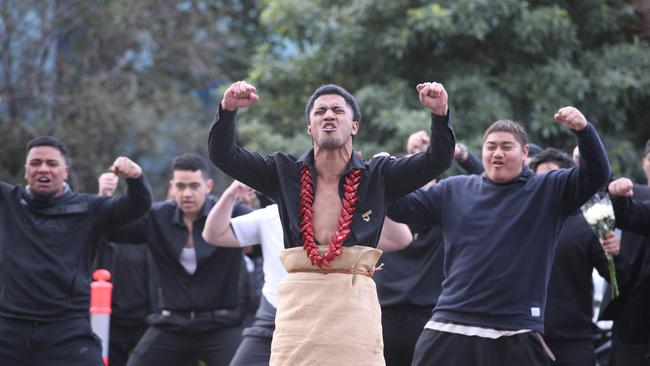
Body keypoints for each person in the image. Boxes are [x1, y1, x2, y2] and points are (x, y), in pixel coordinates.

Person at [208, 80, 455, 365]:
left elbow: (437, 160)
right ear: (309, 128)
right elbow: (224, 156)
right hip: (298, 305)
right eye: (320, 111)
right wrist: (227, 110)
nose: (328, 115)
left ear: (354, 126)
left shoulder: (380, 175)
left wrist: (440, 113)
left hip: (353, 304)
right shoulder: (281, 171)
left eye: (338, 110)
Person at [388, 107, 610, 366]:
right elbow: (401, 207)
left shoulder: (548, 189)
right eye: (491, 147)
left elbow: (597, 174)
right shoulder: (455, 189)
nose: (497, 153)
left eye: (507, 147)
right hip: (450, 326)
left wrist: (584, 131)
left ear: (525, 153)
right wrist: (385, 173)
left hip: (514, 330)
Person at [202, 180, 413, 365]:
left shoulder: (346, 216)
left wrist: (372, 196)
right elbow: (214, 234)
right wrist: (231, 194)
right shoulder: (271, 215)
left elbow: (401, 239)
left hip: (330, 318)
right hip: (273, 317)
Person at [0, 136, 152, 366]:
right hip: (9, 327)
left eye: (51, 164)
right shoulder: (7, 202)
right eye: (35, 163)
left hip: (66, 331)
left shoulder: (88, 208)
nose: (43, 169)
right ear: (25, 170)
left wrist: (135, 177)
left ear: (65, 171)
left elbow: (137, 205)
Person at [106, 153, 251, 366]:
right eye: (181, 187)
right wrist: (130, 183)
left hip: (220, 325)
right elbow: (113, 230)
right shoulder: (157, 216)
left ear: (208, 186)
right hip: (171, 324)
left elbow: (269, 228)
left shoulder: (231, 212)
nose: (187, 194)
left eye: (194, 186)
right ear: (172, 186)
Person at [529, 148, 628, 366]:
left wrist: (615, 253)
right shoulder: (519, 222)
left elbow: (618, 278)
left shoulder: (591, 222)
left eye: (552, 176)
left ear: (567, 180)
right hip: (524, 340)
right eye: (540, 178)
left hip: (573, 342)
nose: (545, 184)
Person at [374, 130, 445, 366]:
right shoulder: (382, 209)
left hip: (429, 316)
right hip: (383, 313)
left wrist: (459, 153)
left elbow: (486, 183)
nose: (420, 184)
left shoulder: (446, 211)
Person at [95, 172, 160, 366]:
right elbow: (96, 225)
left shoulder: (155, 232)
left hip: (149, 322)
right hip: (109, 322)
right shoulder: (109, 234)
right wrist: (103, 194)